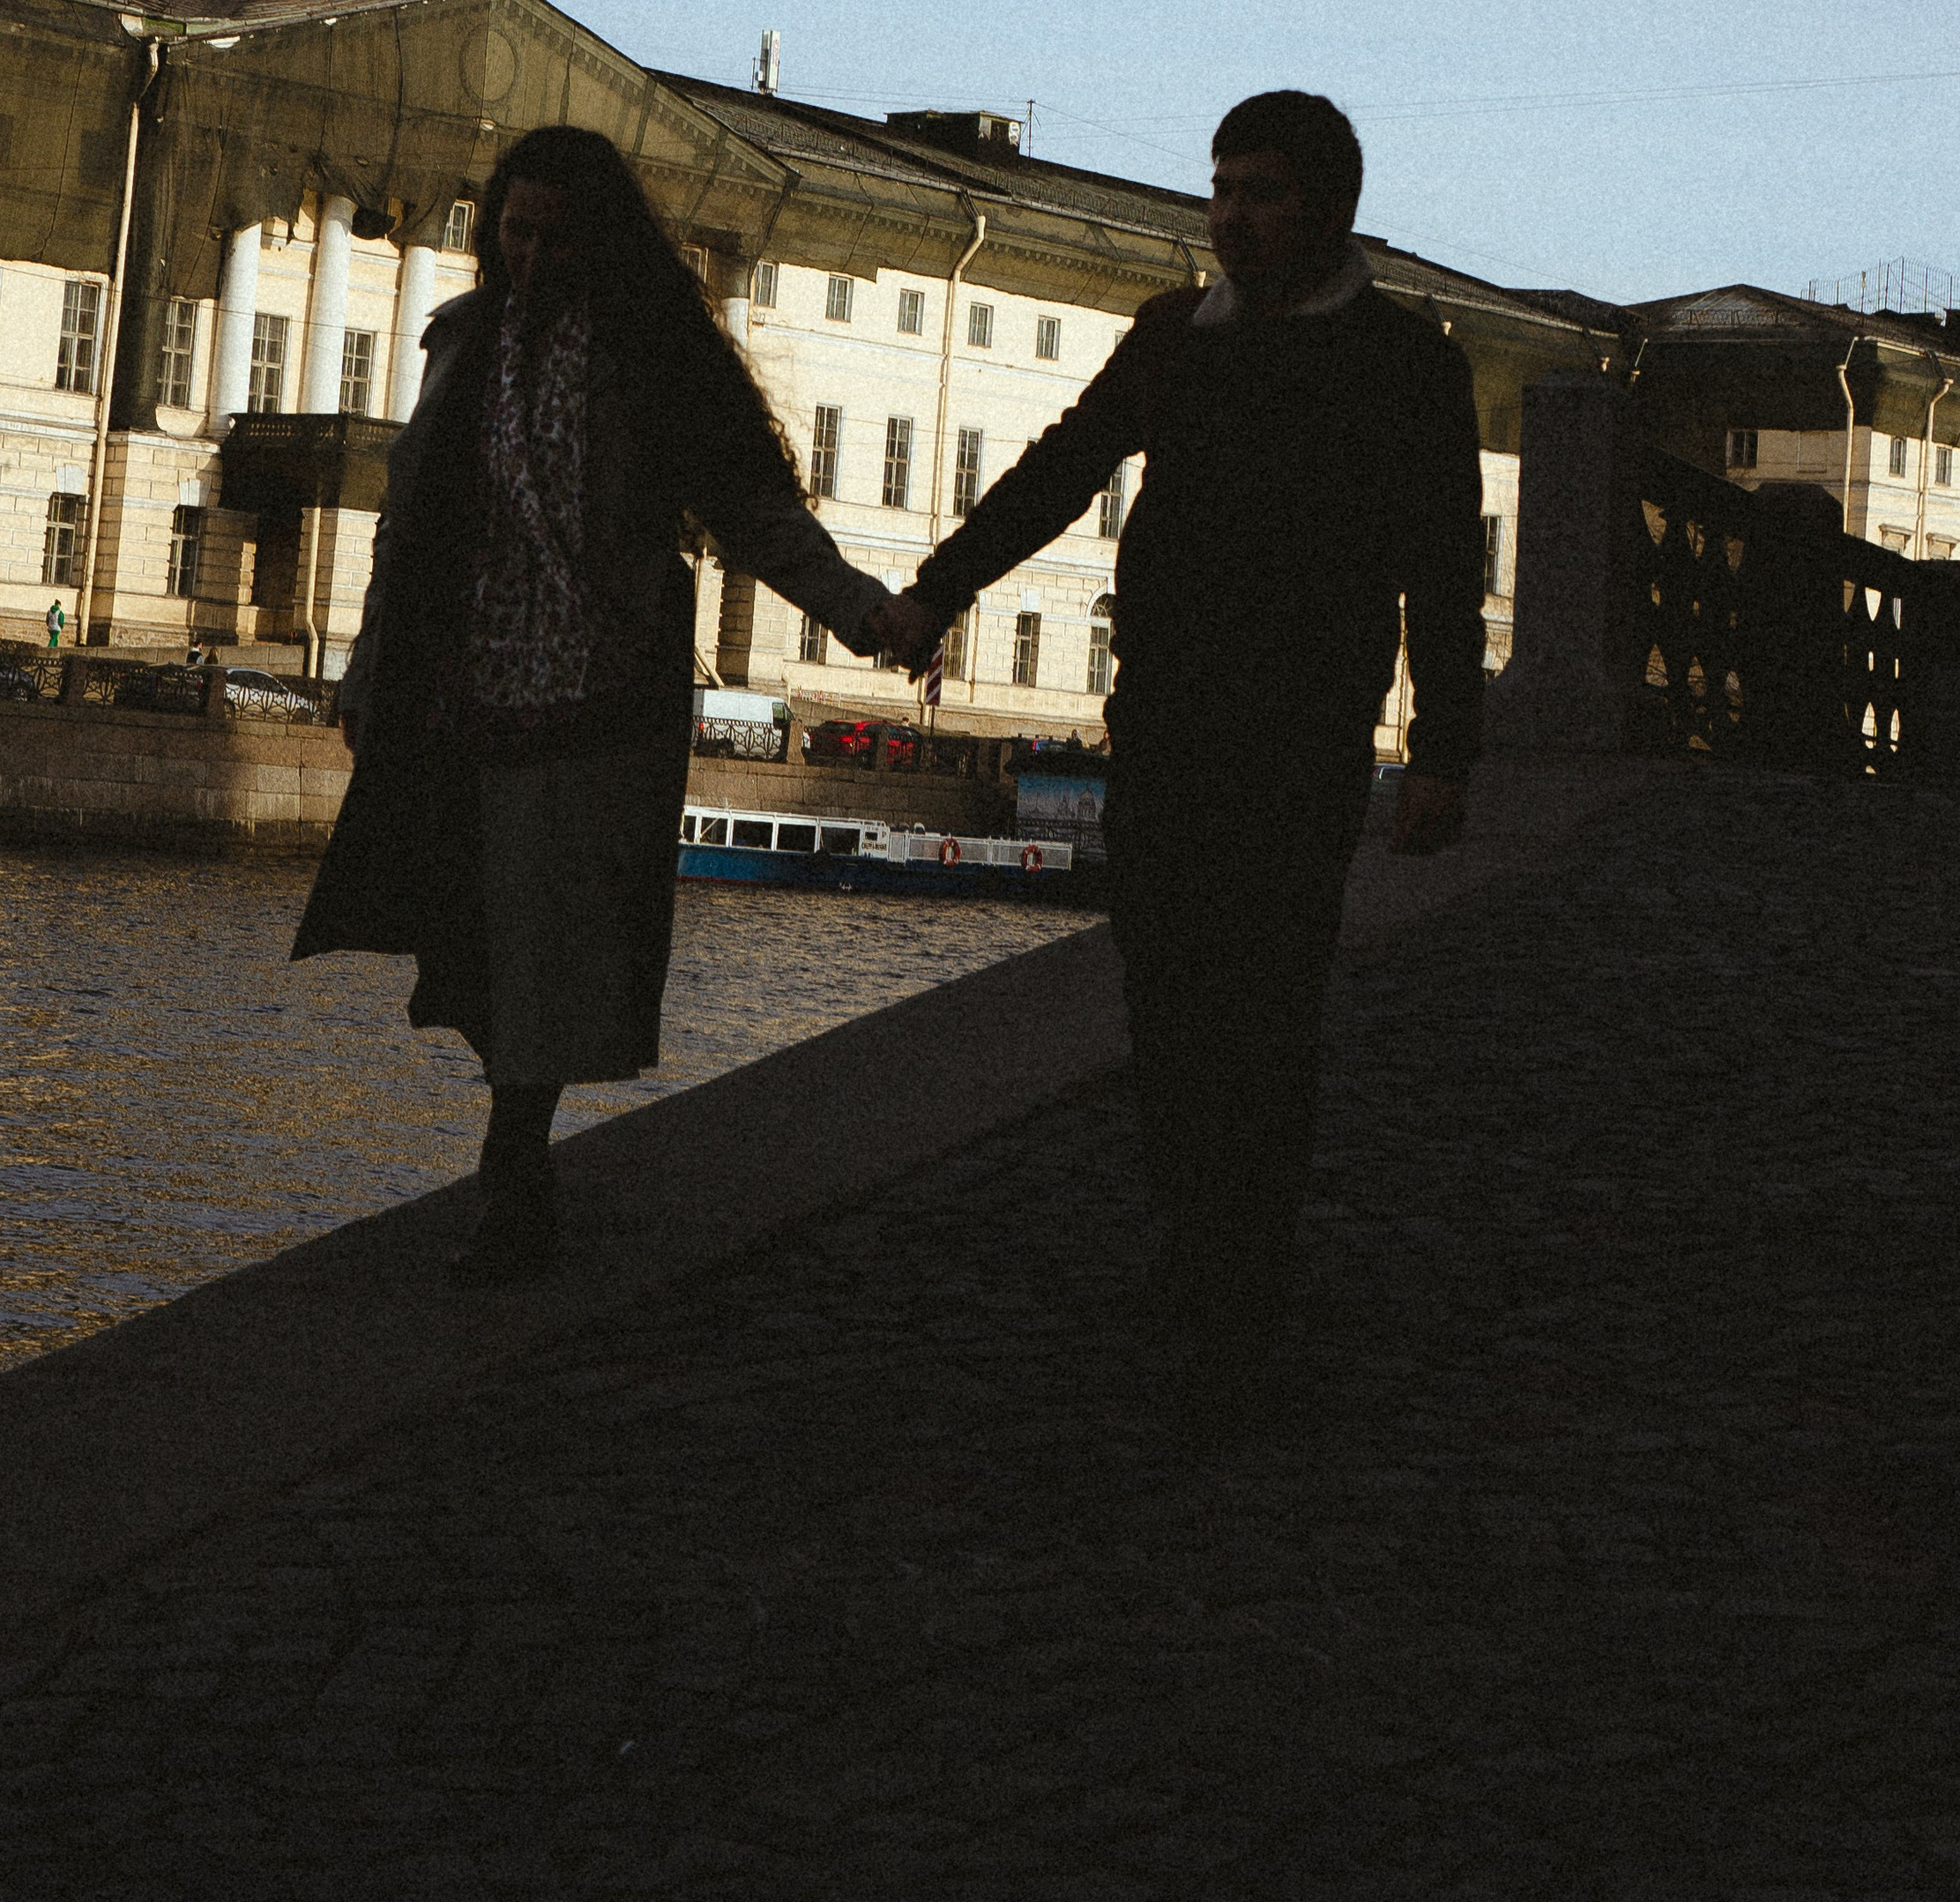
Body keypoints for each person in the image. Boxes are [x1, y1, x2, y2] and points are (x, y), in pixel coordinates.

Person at [880, 92, 1483, 1440]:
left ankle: (1237, 1275)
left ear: (1330, 207)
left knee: (1265, 1010)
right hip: (1165, 726)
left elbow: (1447, 566)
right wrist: (938, 591)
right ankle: (1196, 1239)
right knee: (1165, 998)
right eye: (1221, 189)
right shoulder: (1170, 340)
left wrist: (1444, 752)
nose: (1231, 215)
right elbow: (1060, 470)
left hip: (1301, 736)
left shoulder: (1402, 362)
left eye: (1261, 192)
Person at [292, 127, 899, 1279]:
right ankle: (517, 1145)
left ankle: (511, 1171)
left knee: (548, 948)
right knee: (462, 943)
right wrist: (368, 675)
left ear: (602, 241)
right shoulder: (466, 343)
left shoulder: (653, 354)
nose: (531, 257)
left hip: (594, 701)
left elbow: (752, 512)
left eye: (557, 237)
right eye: (515, 231)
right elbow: (406, 527)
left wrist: (867, 614)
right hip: (463, 692)